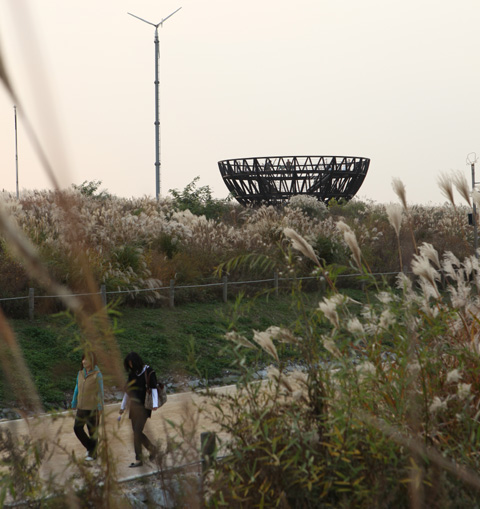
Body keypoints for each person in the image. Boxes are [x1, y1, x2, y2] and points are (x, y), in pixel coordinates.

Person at [119, 351, 159, 467]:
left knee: (137, 432)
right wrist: (122, 406)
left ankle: (139, 459)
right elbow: (127, 392)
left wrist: (155, 403)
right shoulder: (132, 374)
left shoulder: (149, 371)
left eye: (132, 363)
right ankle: (152, 449)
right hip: (134, 407)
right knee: (137, 432)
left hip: (144, 407)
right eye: (129, 364)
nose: (131, 366)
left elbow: (154, 388)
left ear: (136, 362)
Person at [71, 351, 104, 461]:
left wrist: (100, 407)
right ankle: (91, 448)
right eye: (83, 359)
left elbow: (100, 392)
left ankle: (93, 454)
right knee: (77, 428)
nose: (84, 361)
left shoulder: (97, 374)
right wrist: (74, 401)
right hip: (81, 407)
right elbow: (77, 388)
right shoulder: (80, 373)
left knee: (92, 432)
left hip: (93, 408)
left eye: (87, 359)